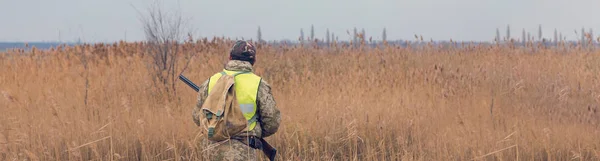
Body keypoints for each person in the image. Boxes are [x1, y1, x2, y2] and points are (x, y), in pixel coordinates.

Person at [192, 40, 281, 160]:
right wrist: (253, 132)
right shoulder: (258, 84)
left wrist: (217, 129)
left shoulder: (211, 81)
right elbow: (272, 122)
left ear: (230, 57)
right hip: (244, 152)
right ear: (253, 61)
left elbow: (197, 117)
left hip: (212, 152)